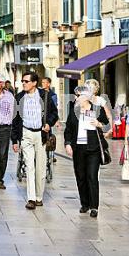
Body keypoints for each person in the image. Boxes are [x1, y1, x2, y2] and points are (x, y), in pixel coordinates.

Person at [11, 71, 58, 210]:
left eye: (26, 81)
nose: (23, 84)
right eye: (23, 81)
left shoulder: (45, 95)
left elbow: (54, 113)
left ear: (34, 83)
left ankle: (39, 197)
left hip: (41, 135)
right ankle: (31, 198)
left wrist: (49, 123)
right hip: (26, 134)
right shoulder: (19, 97)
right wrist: (14, 140)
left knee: (41, 168)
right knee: (29, 166)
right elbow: (15, 119)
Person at [64, 86, 110, 217]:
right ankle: (85, 204)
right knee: (81, 176)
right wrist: (68, 144)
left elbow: (107, 125)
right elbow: (68, 129)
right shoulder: (74, 111)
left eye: (78, 95)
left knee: (92, 176)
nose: (76, 98)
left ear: (85, 97)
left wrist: (99, 124)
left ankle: (94, 206)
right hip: (78, 148)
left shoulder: (97, 109)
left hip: (93, 148)